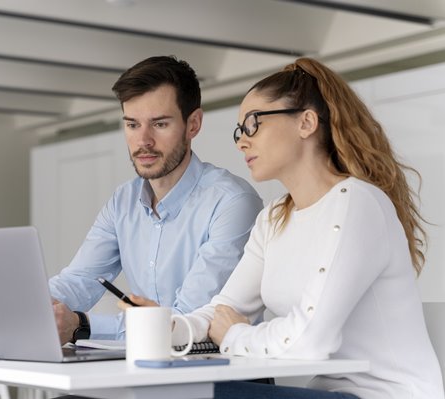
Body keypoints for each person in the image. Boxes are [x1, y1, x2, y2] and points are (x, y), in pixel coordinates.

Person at [170, 57, 444, 398]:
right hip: (330, 392)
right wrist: (172, 329)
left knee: (196, 394)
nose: (242, 141)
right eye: (239, 131)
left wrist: (236, 336)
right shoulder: (274, 218)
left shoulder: (357, 203)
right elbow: (226, 308)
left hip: (387, 395)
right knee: (184, 389)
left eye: (253, 123)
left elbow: (311, 341)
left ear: (306, 122)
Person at [48, 55, 263, 344]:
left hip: (220, 377)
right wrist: (31, 306)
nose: (143, 141)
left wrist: (81, 325)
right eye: (133, 125)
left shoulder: (232, 202)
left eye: (159, 124)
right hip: (150, 371)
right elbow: (79, 280)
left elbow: (187, 319)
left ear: (193, 124)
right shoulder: (122, 202)